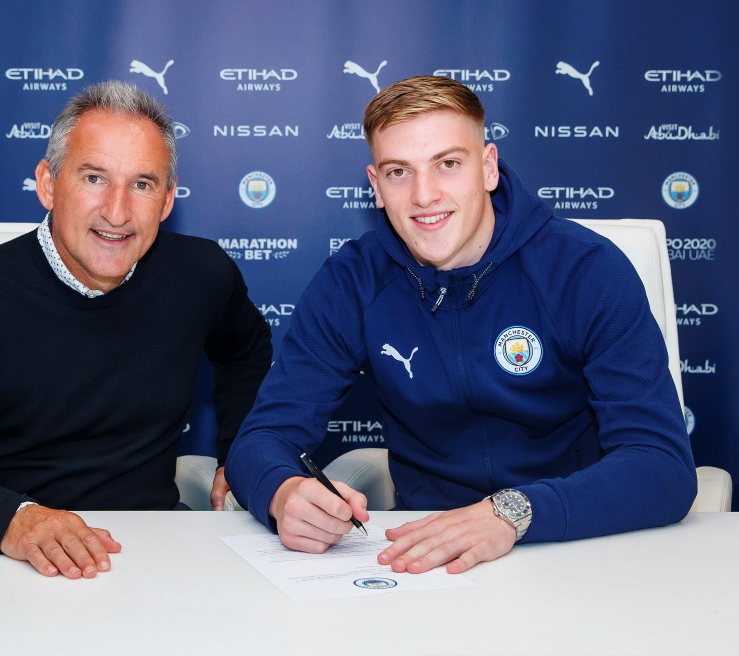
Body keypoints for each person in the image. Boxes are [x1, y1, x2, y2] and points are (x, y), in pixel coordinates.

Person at [225, 75, 696, 574]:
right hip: (423, 555)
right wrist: (283, 492)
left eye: (448, 164)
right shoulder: (353, 280)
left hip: (572, 542)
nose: (424, 195)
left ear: (488, 168)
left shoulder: (584, 269)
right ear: (375, 186)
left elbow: (661, 464)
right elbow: (261, 439)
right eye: (398, 172)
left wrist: (509, 514)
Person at [0, 81, 272, 578]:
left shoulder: (202, 274)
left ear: (168, 200)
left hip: (146, 553)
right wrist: (12, 521)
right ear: (48, 184)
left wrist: (245, 451)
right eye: (94, 178)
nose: (117, 211)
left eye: (142, 184)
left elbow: (246, 350)